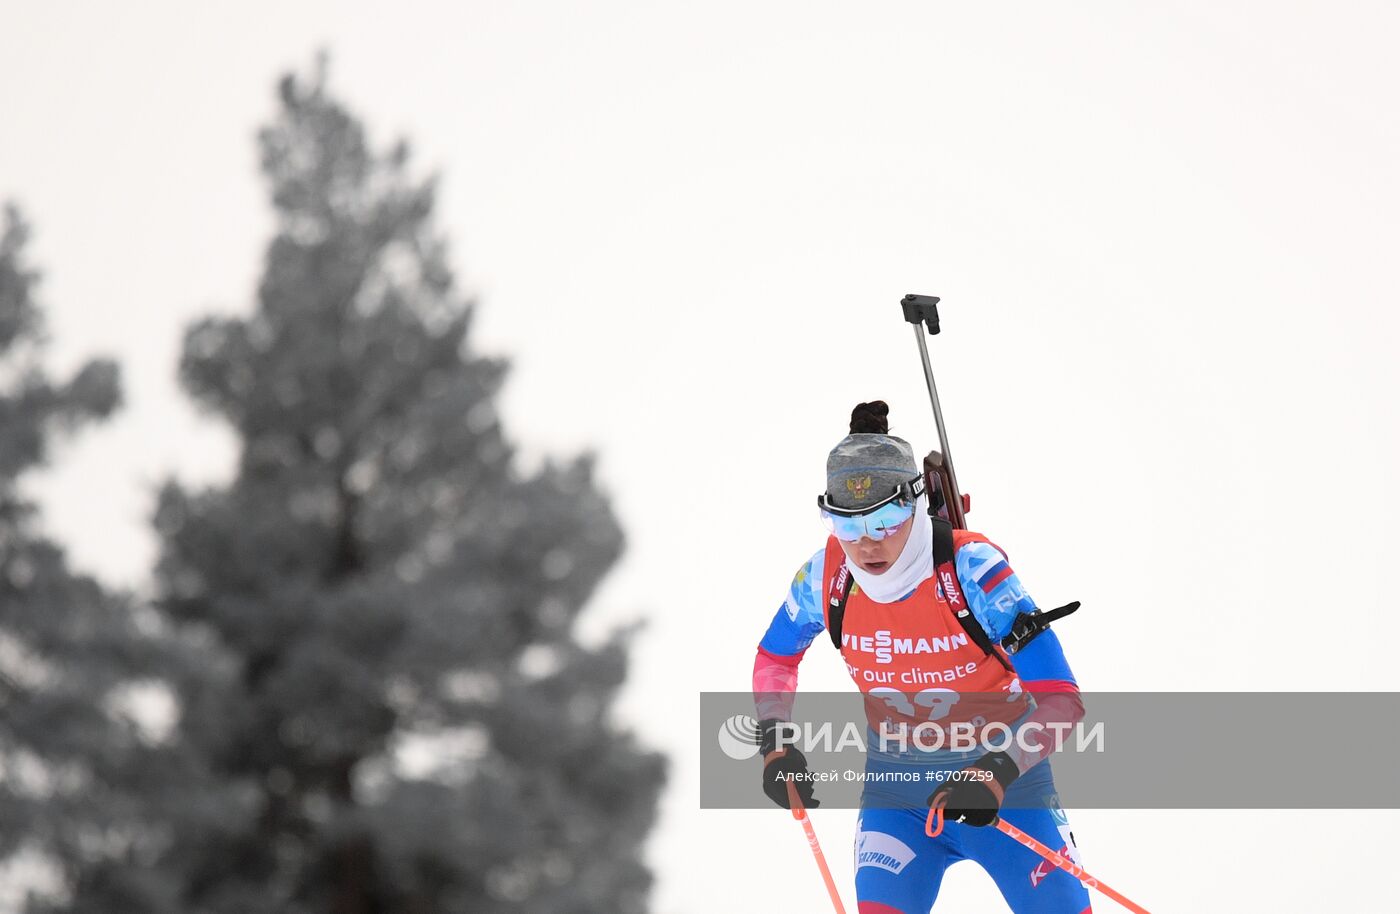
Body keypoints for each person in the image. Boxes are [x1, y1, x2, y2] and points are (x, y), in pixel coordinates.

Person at [752, 401, 1092, 914]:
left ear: (913, 504)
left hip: (1009, 795)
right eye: (846, 525)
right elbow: (775, 658)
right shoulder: (824, 578)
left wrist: (997, 770)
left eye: (884, 520)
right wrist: (777, 746)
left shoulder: (972, 569)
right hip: (898, 802)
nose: (866, 543)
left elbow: (1062, 700)